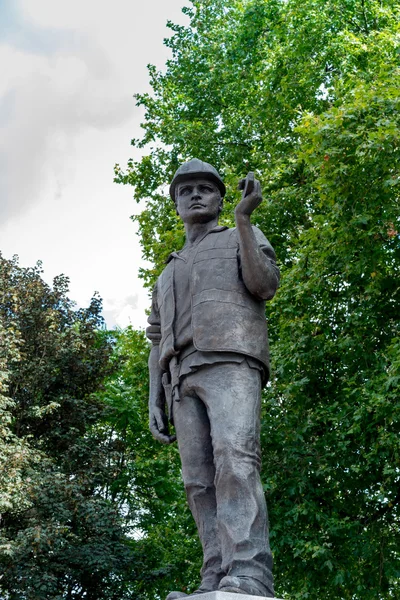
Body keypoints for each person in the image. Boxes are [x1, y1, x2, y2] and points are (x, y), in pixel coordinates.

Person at [146, 159, 280, 599]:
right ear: (176, 203)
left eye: (206, 188)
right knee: (197, 480)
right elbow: (155, 338)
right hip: (181, 379)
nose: (196, 195)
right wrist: (154, 398)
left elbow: (264, 285)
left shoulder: (240, 235)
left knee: (235, 460)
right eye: (186, 191)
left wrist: (244, 219)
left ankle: (249, 573)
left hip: (231, 360)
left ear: (221, 199)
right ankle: (215, 574)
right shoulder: (166, 270)